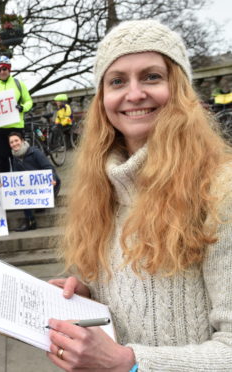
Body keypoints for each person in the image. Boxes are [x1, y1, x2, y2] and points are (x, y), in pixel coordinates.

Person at [46, 20, 232, 371]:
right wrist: (88, 299)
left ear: (179, 89)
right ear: (103, 99)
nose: (134, 94)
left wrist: (129, 363)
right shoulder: (101, 188)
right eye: (117, 81)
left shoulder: (221, 189)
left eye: (151, 76)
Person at [8, 132, 60, 231]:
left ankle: (39, 207)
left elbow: (49, 168)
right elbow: (16, 177)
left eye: (16, 141)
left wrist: (52, 179)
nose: (14, 144)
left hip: (50, 185)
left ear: (22, 141)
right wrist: (6, 184)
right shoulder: (15, 158)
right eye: (11, 142)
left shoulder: (35, 152)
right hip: (32, 189)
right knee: (22, 191)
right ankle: (30, 220)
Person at [0, 55, 33, 173]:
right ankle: (5, 182)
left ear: (9, 69)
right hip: (1, 127)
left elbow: (29, 101)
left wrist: (22, 108)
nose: (2, 72)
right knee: (2, 157)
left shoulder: (18, 83)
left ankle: (23, 178)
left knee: (19, 155)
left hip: (16, 126)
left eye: (4, 69)